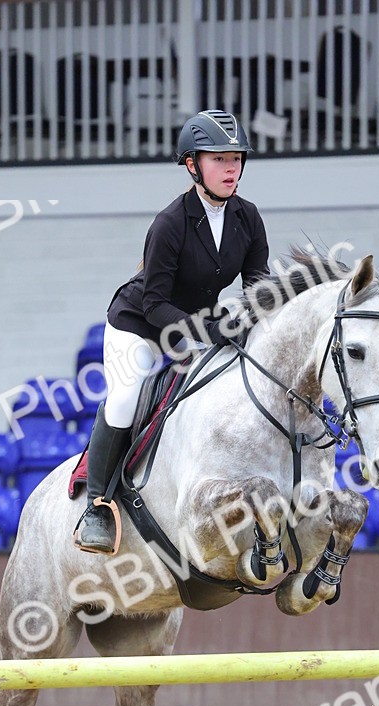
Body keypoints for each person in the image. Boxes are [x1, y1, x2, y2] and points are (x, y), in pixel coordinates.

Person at [74, 109, 270, 554]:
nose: (231, 168)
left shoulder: (249, 219)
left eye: (237, 158)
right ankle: (98, 504)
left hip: (195, 324)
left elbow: (258, 287)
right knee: (126, 395)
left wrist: (250, 323)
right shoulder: (170, 222)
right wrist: (207, 329)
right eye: (219, 159)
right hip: (140, 324)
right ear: (192, 165)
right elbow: (154, 303)